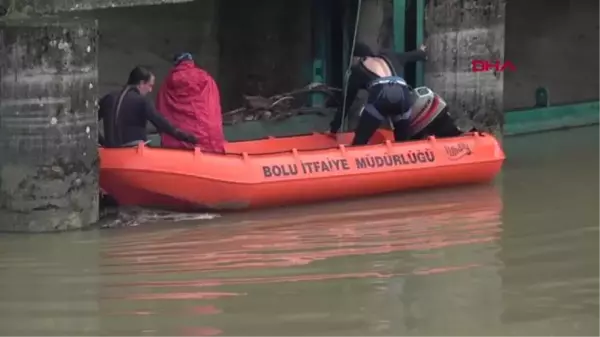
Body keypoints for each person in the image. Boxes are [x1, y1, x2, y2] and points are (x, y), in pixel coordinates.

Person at [329, 42, 428, 145]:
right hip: (403, 94)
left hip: (381, 95)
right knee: (402, 145)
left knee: (359, 144)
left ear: (357, 58)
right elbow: (413, 55)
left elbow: (347, 102)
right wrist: (421, 52)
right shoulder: (392, 56)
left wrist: (334, 128)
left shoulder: (358, 69)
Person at [98, 66, 198, 148]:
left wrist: (103, 142)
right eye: (150, 85)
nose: (150, 90)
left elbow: (89, 123)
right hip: (133, 153)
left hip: (110, 155)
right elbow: (161, 123)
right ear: (141, 83)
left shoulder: (109, 98)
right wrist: (185, 137)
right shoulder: (142, 101)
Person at [156, 52, 225, 153]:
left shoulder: (167, 84)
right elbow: (214, 107)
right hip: (207, 141)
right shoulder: (206, 79)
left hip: (177, 143)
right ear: (191, 61)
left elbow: (161, 110)